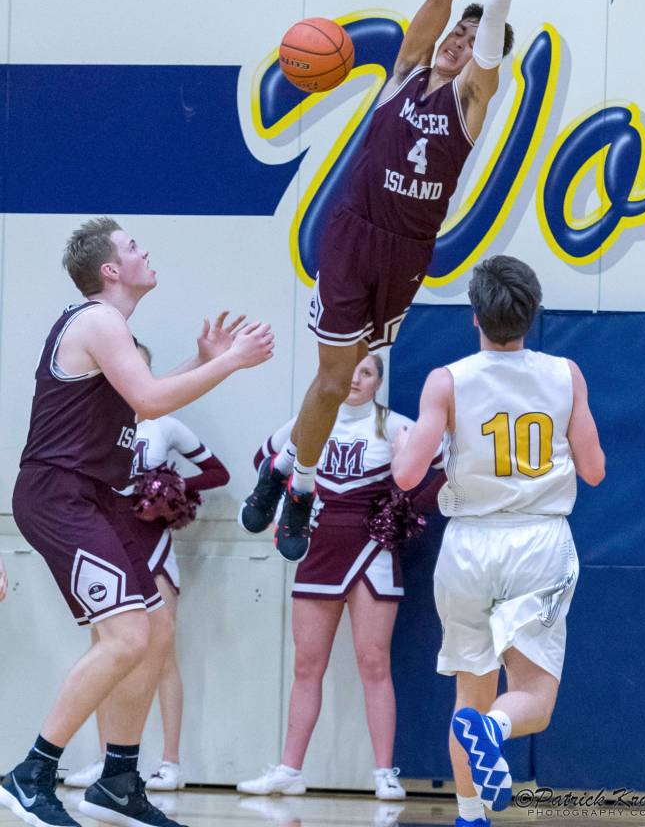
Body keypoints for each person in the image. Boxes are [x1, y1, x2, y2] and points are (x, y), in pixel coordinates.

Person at [241, 0, 531, 564]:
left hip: (405, 249)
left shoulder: (472, 100)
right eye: (457, 33)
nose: (460, 41)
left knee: (346, 376)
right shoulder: (403, 72)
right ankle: (301, 490)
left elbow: (491, 23)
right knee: (333, 379)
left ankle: (282, 462)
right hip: (353, 229)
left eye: (472, 38)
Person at [0, 217, 273, 827]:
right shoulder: (96, 320)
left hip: (93, 496)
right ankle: (31, 774)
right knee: (125, 636)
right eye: (131, 246)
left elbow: (143, 393)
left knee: (153, 631)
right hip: (59, 494)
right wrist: (229, 363)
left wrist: (194, 362)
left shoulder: (111, 331)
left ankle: (118, 781)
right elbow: (150, 402)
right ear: (110, 271)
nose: (142, 251)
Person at [391, 255, 605, 823]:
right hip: (537, 541)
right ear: (532, 313)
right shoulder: (566, 374)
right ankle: (495, 730)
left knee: (470, 691)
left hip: (467, 545)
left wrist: (409, 448)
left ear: (475, 317)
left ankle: (469, 814)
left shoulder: (447, 380)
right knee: (531, 700)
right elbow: (594, 470)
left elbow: (408, 477)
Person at [238, 354, 442, 800]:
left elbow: (442, 464)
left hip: (373, 551)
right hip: (317, 546)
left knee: (374, 665)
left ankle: (384, 772)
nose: (355, 378)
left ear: (377, 382)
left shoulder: (395, 425)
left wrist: (405, 507)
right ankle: (290, 770)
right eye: (350, 368)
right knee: (306, 666)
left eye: (366, 372)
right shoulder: (309, 420)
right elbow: (265, 459)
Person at [64, 343, 231, 792]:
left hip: (151, 541)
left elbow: (217, 472)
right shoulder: (91, 425)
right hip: (103, 538)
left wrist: (168, 487)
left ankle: (171, 762)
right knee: (106, 648)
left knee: (161, 651)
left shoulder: (165, 423)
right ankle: (106, 762)